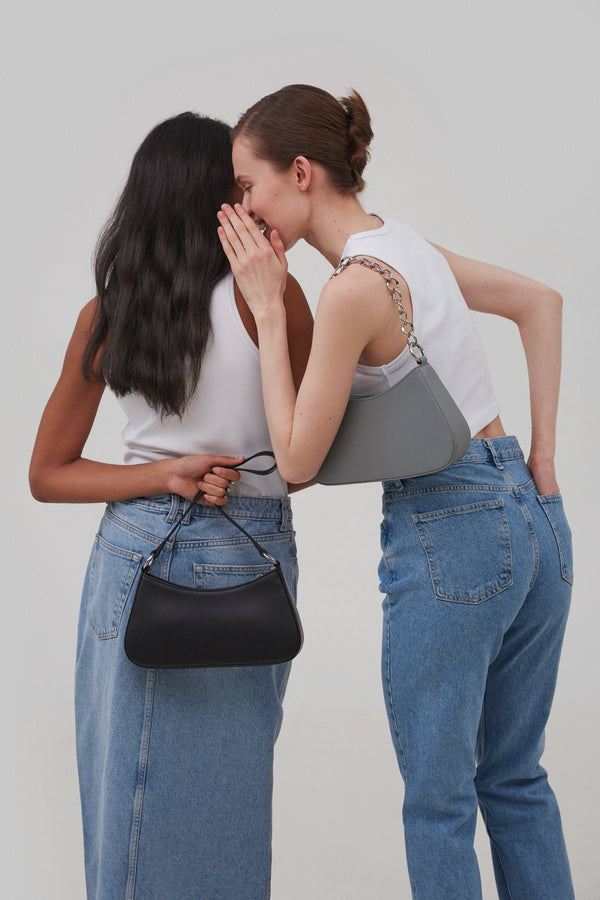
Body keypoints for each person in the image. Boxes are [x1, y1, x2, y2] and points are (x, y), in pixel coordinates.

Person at [217, 84, 575, 899]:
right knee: (515, 781)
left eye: (248, 186)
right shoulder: (405, 245)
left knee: (438, 803)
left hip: (453, 530)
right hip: (529, 512)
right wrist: (543, 459)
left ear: (300, 172)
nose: (242, 207)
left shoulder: (352, 289)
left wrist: (271, 310)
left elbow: (297, 461)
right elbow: (540, 303)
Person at [29, 111, 313, 900]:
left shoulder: (115, 309)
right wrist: (172, 474)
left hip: (131, 555)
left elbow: (48, 473)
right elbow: (307, 463)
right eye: (234, 181)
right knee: (224, 811)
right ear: (207, 195)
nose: (248, 198)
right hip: (249, 550)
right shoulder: (274, 300)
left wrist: (161, 476)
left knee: (127, 807)